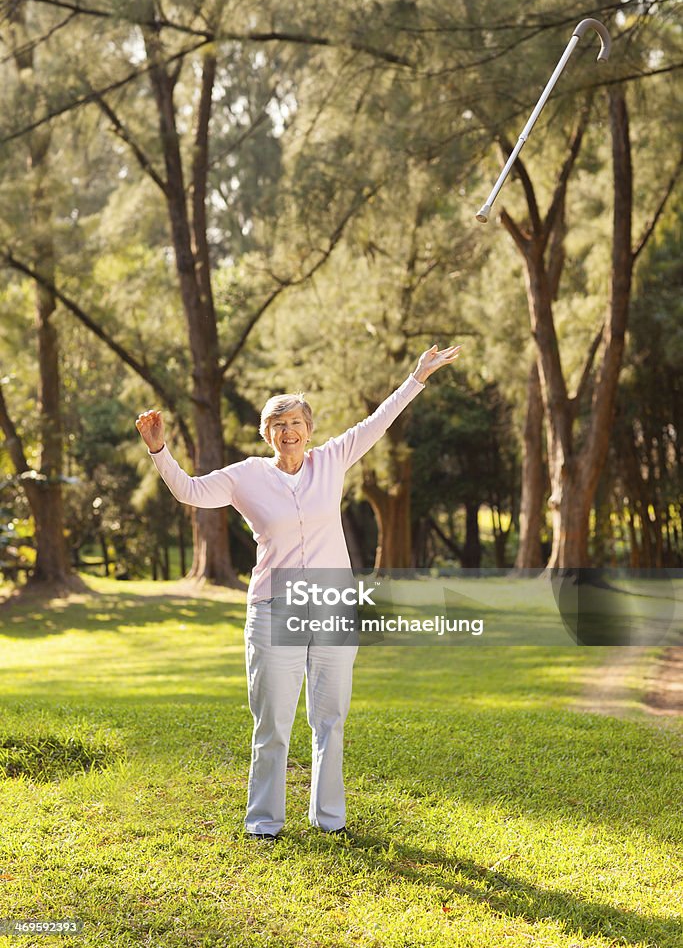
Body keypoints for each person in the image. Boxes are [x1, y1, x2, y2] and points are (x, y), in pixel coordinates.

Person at [135, 343, 461, 841]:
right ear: (267, 433)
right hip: (274, 609)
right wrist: (160, 449)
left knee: (330, 718)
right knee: (273, 723)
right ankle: (265, 822)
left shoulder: (332, 459)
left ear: (309, 430)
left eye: (296, 423)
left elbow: (379, 421)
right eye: (278, 424)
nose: (288, 432)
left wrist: (416, 377)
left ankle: (329, 819)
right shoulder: (246, 476)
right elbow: (191, 492)